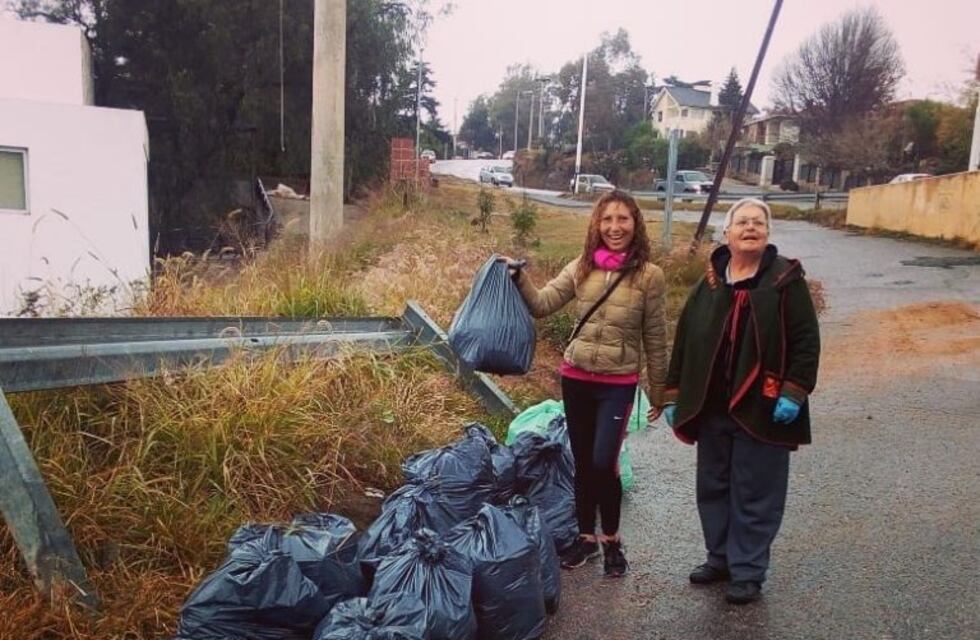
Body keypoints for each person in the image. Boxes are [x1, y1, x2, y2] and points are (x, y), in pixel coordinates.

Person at [502, 190, 667, 578]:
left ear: (635, 224)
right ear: (597, 224)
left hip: (618, 383)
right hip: (576, 379)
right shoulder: (581, 267)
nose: (614, 227)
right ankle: (585, 539)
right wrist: (518, 277)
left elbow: (656, 339)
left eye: (623, 219)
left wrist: (660, 393)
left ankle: (611, 540)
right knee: (581, 463)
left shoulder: (649, 276)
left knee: (602, 462)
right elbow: (542, 303)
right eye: (607, 219)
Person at [663, 198, 820, 604]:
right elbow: (685, 337)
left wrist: (794, 392)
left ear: (767, 233)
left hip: (763, 406)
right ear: (728, 234)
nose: (750, 228)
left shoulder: (786, 280)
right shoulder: (711, 281)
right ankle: (719, 558)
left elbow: (805, 342)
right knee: (713, 485)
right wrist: (674, 394)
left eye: (758, 223)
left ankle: (748, 571)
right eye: (742, 223)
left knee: (756, 490)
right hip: (712, 404)